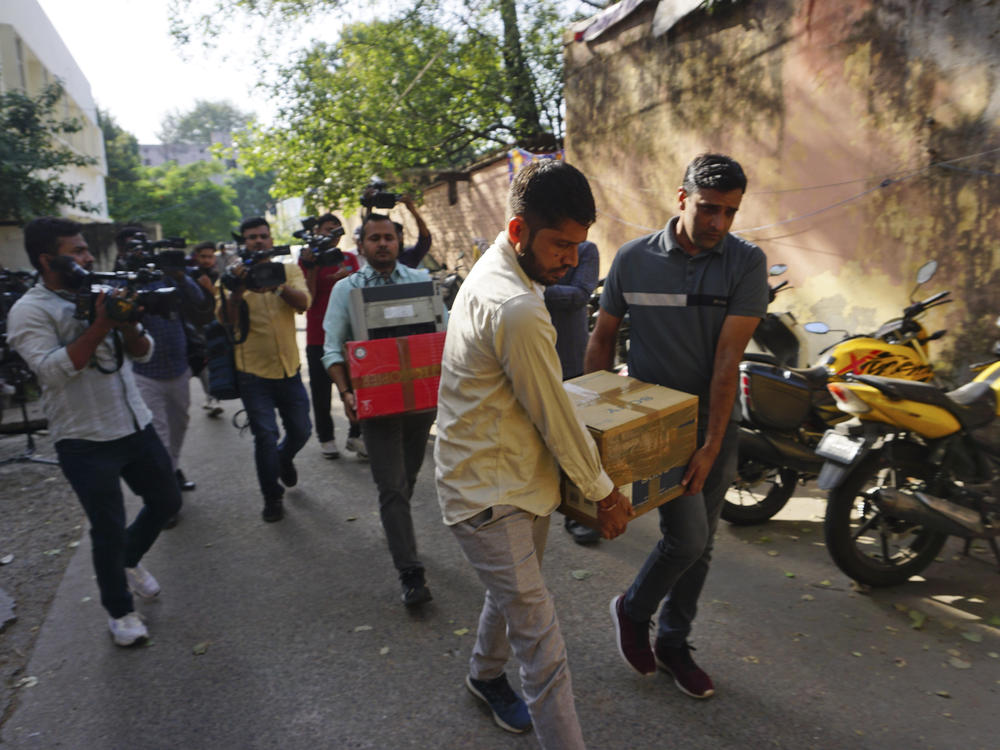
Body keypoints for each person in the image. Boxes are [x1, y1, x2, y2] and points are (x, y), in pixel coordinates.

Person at [434, 160, 632, 748]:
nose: (571, 259)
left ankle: (482, 675)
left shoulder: (502, 275)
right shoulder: (517, 307)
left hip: (515, 479)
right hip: (489, 497)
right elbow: (556, 416)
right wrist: (604, 495)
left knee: (515, 594)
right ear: (519, 231)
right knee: (543, 647)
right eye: (559, 244)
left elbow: (541, 409)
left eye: (579, 246)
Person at [585, 153, 767, 699]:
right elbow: (601, 339)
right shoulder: (633, 259)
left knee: (703, 544)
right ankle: (633, 608)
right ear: (682, 198)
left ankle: (674, 642)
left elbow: (726, 361)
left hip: (715, 425)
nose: (718, 223)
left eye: (729, 213)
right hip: (654, 425)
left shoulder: (745, 262)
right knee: (686, 537)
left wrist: (712, 443)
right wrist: (593, 425)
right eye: (709, 209)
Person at [7, 217, 181, 646]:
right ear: (49, 260)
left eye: (87, 249)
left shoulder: (102, 292)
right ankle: (120, 613)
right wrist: (101, 324)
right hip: (83, 438)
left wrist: (125, 323)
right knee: (107, 526)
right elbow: (50, 371)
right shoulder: (29, 311)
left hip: (132, 422)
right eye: (78, 251)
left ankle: (129, 559)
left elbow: (143, 353)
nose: (88, 258)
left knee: (166, 500)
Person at [321, 212, 444, 606]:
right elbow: (331, 348)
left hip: (420, 406)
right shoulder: (345, 289)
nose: (382, 244)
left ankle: (396, 529)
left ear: (398, 241)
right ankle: (411, 573)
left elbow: (441, 337)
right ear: (362, 246)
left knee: (404, 482)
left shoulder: (420, 283)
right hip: (376, 406)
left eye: (388, 237)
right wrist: (345, 392)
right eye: (373, 238)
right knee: (391, 488)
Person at [222, 217, 312, 523]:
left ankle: (284, 458)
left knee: (302, 430)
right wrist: (237, 289)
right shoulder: (233, 276)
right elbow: (225, 320)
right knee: (265, 436)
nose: (258, 241)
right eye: (251, 237)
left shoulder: (288, 270)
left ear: (272, 240)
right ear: (243, 242)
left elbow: (304, 303)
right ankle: (272, 497)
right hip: (252, 372)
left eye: (263, 236)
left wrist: (278, 288)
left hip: (289, 368)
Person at [128, 245, 215, 512]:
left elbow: (198, 300)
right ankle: (167, 501)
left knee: (179, 426)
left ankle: (172, 471)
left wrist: (178, 275)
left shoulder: (172, 278)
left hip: (178, 369)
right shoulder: (126, 280)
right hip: (145, 373)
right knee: (160, 435)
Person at [544, 239, 602, 545]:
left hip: (569, 356)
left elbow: (580, 294)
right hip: (532, 353)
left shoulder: (586, 250)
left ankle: (580, 512)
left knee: (577, 437)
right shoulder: (528, 246)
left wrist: (533, 289)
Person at [298, 213, 362, 460]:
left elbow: (357, 290)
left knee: (354, 388)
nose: (332, 234)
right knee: (321, 392)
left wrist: (344, 279)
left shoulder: (348, 258)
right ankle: (326, 438)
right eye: (327, 229)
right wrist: (312, 267)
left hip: (348, 334)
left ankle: (356, 435)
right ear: (317, 232)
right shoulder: (307, 260)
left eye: (337, 230)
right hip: (318, 336)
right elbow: (308, 298)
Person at [189, 241, 225, 418]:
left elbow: (223, 299)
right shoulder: (189, 276)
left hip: (212, 324)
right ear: (197, 257)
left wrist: (209, 288)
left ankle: (212, 397)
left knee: (208, 362)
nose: (206, 260)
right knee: (200, 363)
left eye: (210, 256)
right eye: (203, 256)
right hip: (193, 327)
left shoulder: (217, 276)